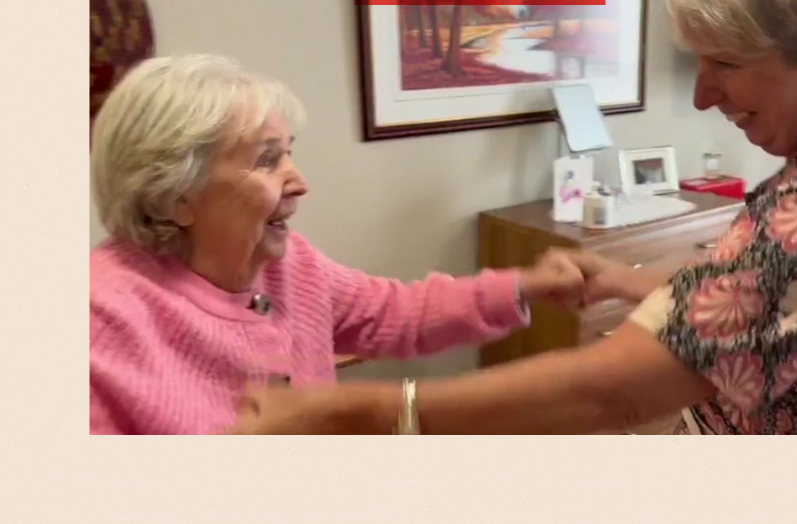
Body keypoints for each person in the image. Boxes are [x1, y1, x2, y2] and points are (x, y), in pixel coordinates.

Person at [230, 0, 797, 435]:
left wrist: (363, 412)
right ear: (171, 195)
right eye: (267, 158)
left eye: (726, 62)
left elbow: (609, 392)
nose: (702, 94)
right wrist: (622, 279)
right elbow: (776, 288)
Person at [89, 54, 585, 434]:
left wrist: (525, 286)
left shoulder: (290, 267)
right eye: (267, 161)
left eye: (289, 154)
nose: (299, 181)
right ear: (174, 195)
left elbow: (399, 312)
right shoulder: (100, 325)